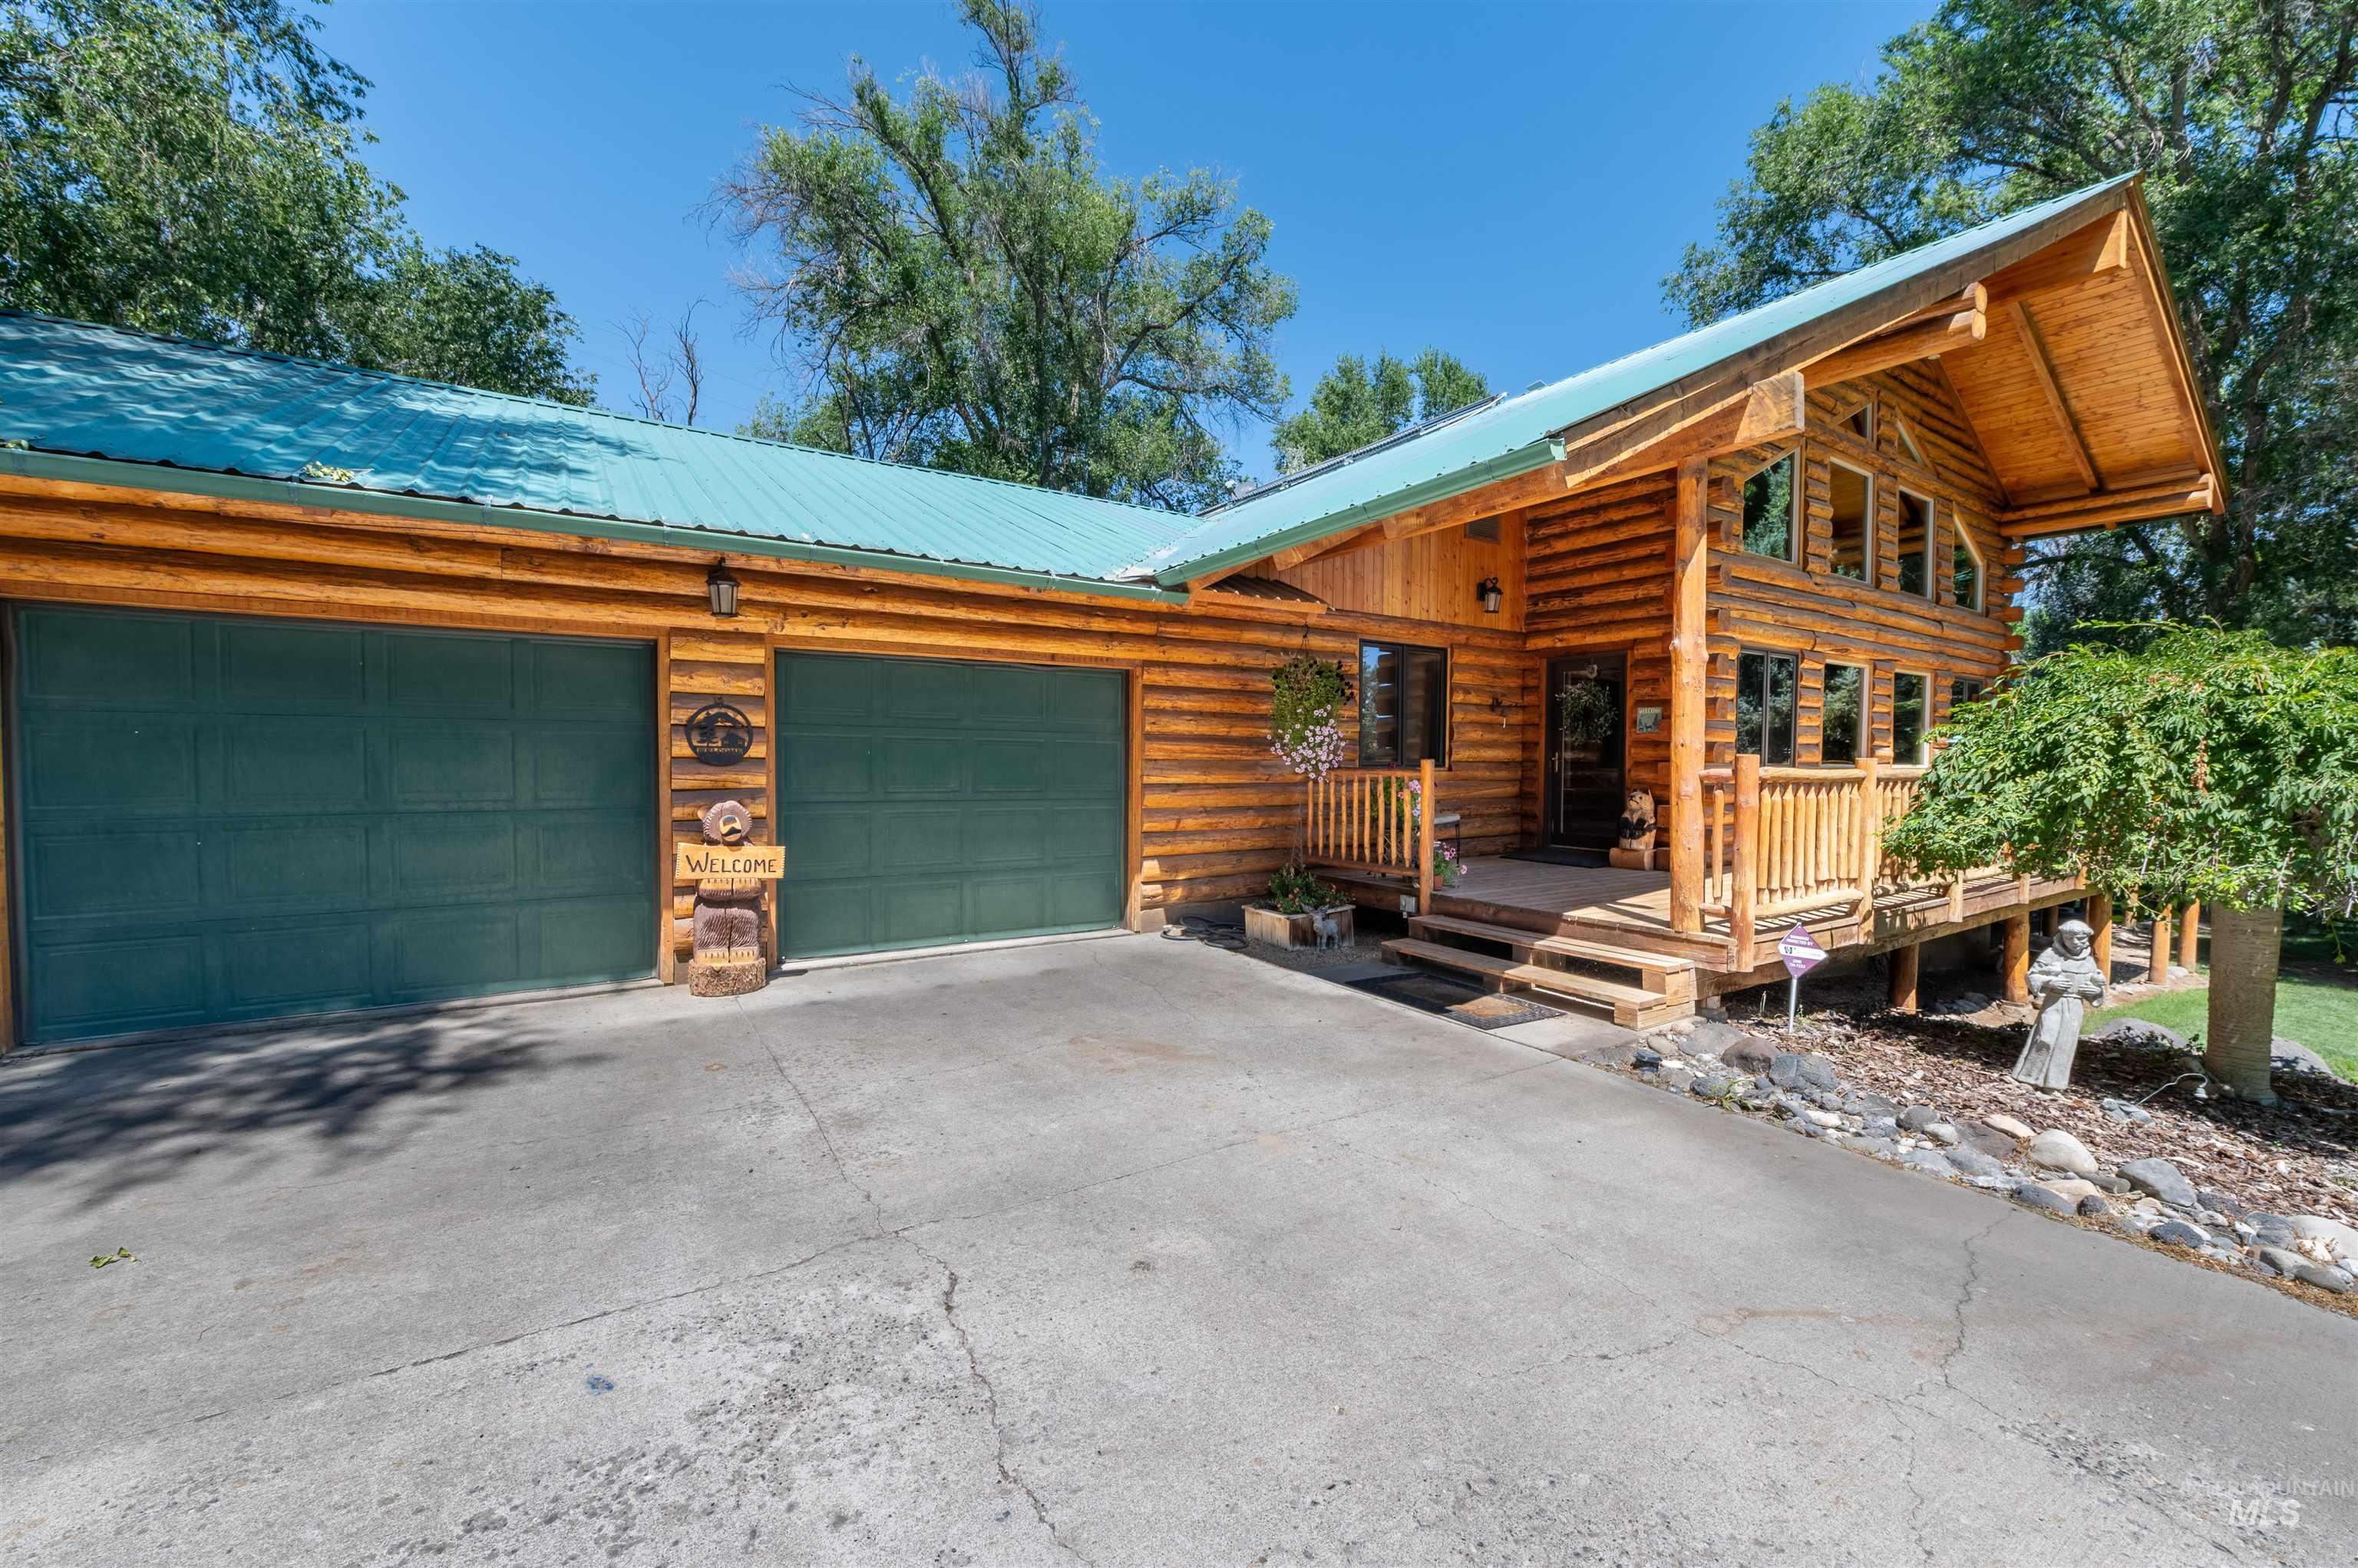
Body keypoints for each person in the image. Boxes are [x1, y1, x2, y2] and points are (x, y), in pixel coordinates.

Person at [2013, 917, 2107, 1089]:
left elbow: (2098, 987)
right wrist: (2050, 982)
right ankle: (2028, 1078)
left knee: (2066, 1044)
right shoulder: (2051, 955)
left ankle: (2054, 1085)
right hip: (2054, 1003)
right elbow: (2032, 976)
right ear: (2062, 937)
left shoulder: (2089, 961)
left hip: (2075, 1006)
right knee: (2045, 1038)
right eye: (2070, 938)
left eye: (2081, 939)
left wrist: (2096, 992)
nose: (2076, 943)